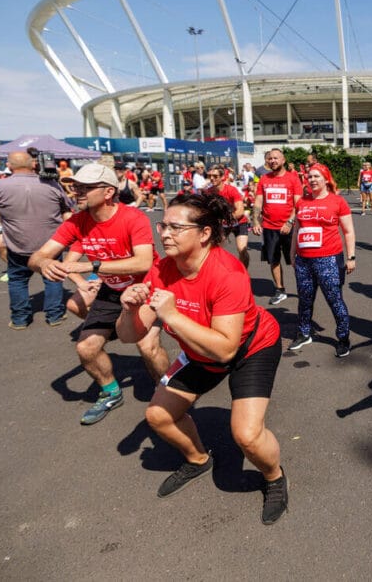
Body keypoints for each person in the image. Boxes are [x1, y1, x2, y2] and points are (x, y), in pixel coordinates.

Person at [115, 193, 287, 524]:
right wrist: (129, 309)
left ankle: (274, 477)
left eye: (176, 227)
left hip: (252, 349)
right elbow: (128, 335)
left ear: (205, 233)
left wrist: (172, 315)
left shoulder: (228, 273)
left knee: (247, 436)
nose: (165, 234)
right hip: (200, 352)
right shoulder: (162, 269)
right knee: (158, 416)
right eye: (163, 225)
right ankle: (197, 460)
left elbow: (225, 350)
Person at [30, 163, 169, 425]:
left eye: (85, 188)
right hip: (112, 290)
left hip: (146, 287)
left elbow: (143, 263)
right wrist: (44, 263)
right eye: (75, 187)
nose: (77, 192)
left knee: (147, 346)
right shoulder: (77, 221)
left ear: (108, 192)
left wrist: (89, 267)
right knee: (86, 348)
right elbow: (38, 256)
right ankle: (111, 392)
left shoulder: (133, 218)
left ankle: (168, 390)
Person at [0, 151, 73, 329]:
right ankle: (55, 315)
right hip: (49, 243)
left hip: (18, 243)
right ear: (34, 164)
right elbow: (67, 207)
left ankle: (20, 319)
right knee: (53, 278)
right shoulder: (52, 185)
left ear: (9, 166)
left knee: (18, 280)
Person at [288, 164, 356, 357]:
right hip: (303, 260)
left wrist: (351, 257)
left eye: (316, 176)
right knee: (304, 299)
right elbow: (297, 229)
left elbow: (348, 231)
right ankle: (304, 333)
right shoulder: (302, 202)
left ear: (326, 179)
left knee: (334, 299)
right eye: (309, 177)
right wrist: (292, 253)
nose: (312, 180)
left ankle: (343, 338)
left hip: (329, 259)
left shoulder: (337, 201)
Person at [252, 149, 302, 305]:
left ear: (283, 160)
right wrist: (255, 221)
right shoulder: (264, 179)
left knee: (295, 261)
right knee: (273, 260)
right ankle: (280, 290)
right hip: (269, 227)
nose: (272, 161)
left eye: (276, 158)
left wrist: (289, 222)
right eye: (270, 158)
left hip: (289, 227)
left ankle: (303, 289)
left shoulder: (293, 179)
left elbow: (298, 204)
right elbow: (258, 201)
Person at [203, 165, 248, 266]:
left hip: (239, 222)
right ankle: (219, 270)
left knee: (242, 250)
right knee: (214, 248)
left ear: (222, 177)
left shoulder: (231, 190)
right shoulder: (208, 192)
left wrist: (226, 219)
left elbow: (240, 211)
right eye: (209, 176)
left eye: (215, 176)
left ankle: (243, 271)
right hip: (222, 224)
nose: (212, 178)